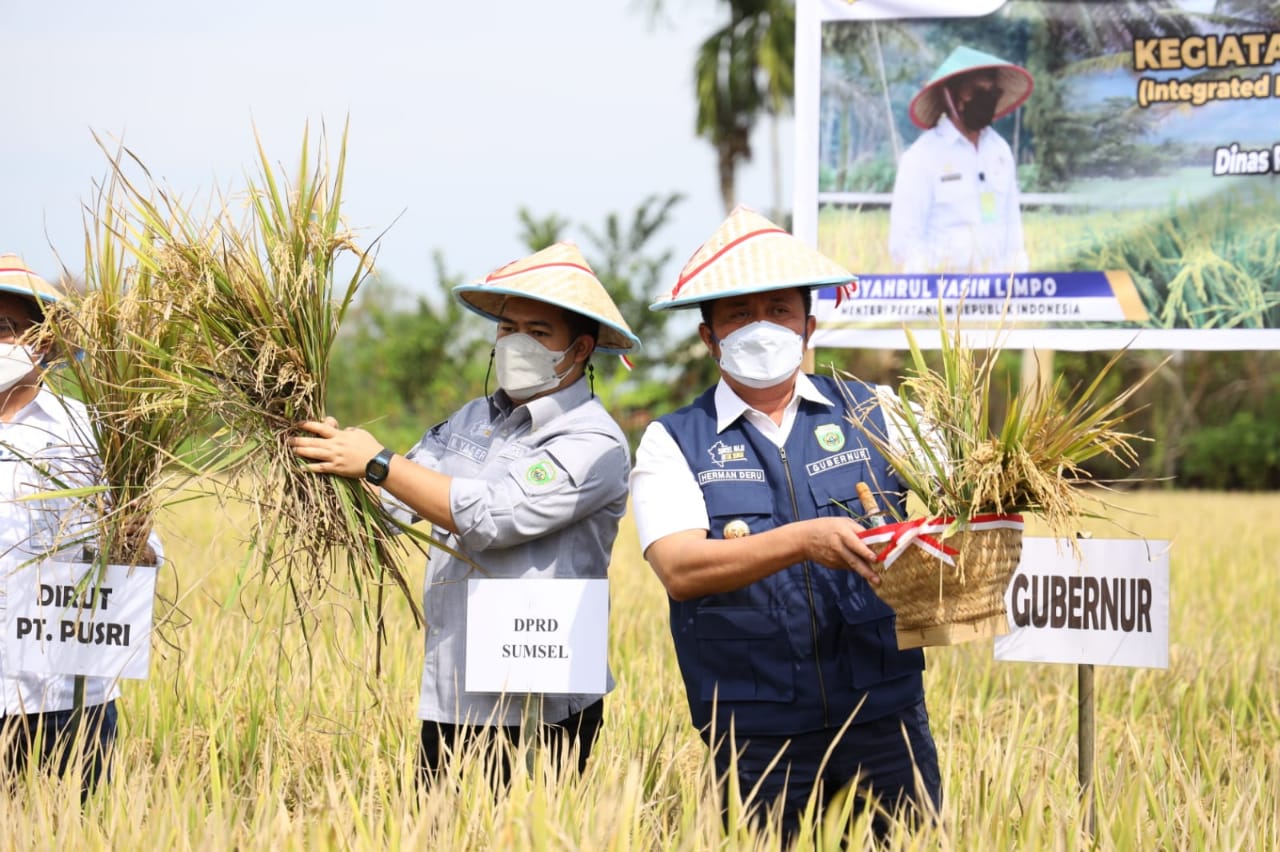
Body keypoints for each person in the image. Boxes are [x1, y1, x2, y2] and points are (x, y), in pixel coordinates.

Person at [630, 208, 941, 839]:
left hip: (881, 717)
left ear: (809, 327)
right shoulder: (674, 441)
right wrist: (803, 541)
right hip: (754, 729)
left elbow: (968, 490)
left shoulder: (875, 413)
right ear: (709, 336)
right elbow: (681, 568)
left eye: (778, 309)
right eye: (740, 314)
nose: (761, 327)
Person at [289, 241, 639, 786]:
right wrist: (336, 458)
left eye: (539, 331)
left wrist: (377, 462)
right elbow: (398, 496)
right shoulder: (475, 418)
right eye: (507, 329)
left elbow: (494, 518)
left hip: (539, 694)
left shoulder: (595, 442)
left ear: (580, 349)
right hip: (453, 684)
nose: (516, 342)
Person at [0, 253, 155, 795]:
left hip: (66, 693)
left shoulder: (90, 433)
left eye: (3, 328)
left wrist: (133, 540)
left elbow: (143, 551)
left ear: (41, 342)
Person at [888, 45, 1034, 274]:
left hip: (995, 297)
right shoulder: (922, 158)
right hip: (942, 297)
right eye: (976, 91)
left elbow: (1013, 233)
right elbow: (904, 244)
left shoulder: (1000, 151)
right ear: (951, 95)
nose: (985, 98)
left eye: (992, 92)